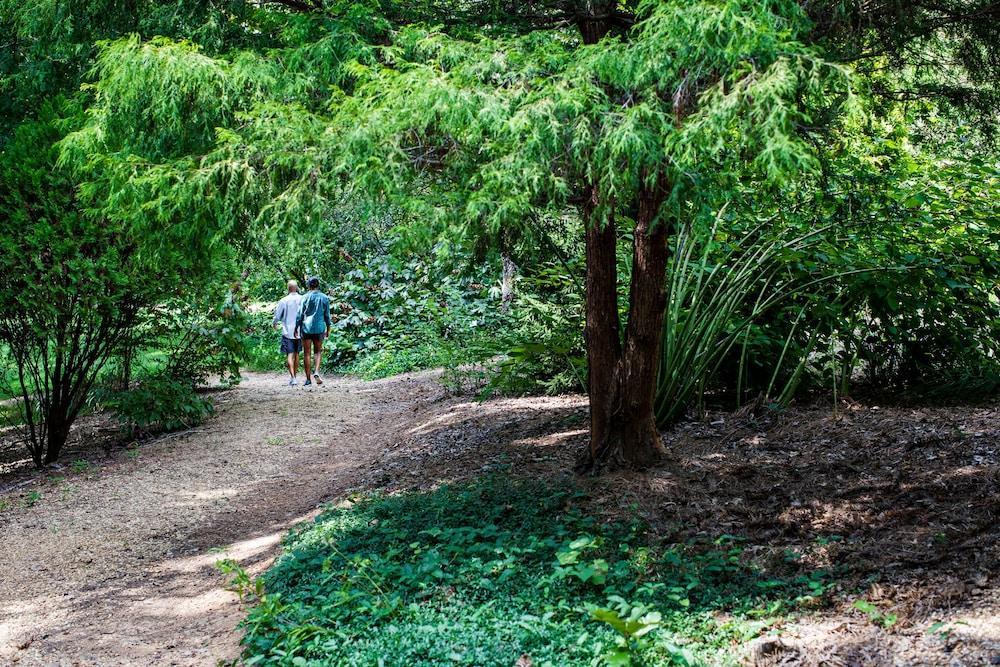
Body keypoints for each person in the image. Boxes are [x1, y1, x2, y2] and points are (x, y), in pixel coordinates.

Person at [295, 276, 331, 386]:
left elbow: (299, 315)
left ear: (308, 285)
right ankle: (316, 372)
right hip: (319, 327)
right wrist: (328, 329)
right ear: (318, 285)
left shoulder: (304, 298)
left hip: (306, 328)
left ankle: (308, 380)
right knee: (318, 351)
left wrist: (296, 327)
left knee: (306, 353)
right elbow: (327, 316)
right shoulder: (324, 298)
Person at [273, 280, 303, 385]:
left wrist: (274, 323)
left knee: (290, 355)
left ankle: (293, 377)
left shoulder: (284, 300)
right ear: (297, 287)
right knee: (297, 354)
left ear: (288, 288)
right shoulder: (302, 299)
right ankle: (295, 376)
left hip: (287, 331)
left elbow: (277, 315)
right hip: (299, 331)